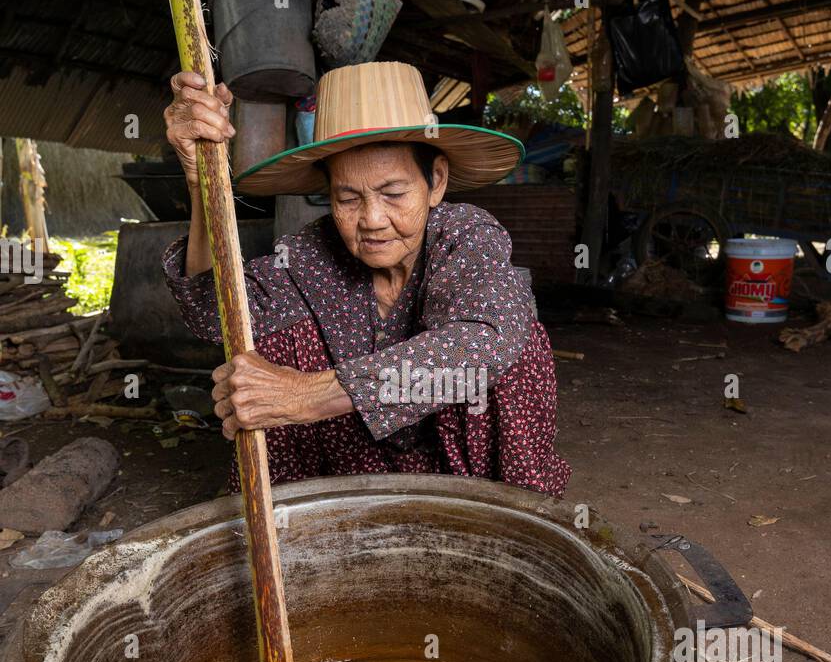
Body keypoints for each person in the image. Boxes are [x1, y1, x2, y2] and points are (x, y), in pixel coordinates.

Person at [162, 60, 571, 496]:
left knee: (515, 347)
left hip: (461, 476)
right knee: (272, 338)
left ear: (435, 182)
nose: (372, 220)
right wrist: (201, 182)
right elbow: (213, 311)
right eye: (348, 198)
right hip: (350, 469)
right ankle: (292, 515)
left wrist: (304, 395)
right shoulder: (311, 253)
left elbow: (486, 342)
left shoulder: (465, 235)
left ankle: (517, 514)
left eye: (393, 194)